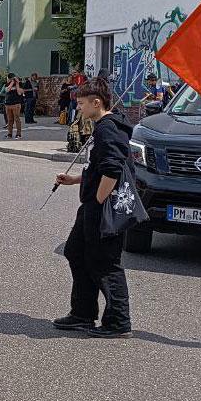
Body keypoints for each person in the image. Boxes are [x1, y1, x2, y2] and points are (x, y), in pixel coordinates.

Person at [53, 77, 134, 338]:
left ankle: (118, 322)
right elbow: (98, 168)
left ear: (96, 102)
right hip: (90, 204)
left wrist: (98, 199)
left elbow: (112, 167)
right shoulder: (103, 126)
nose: (78, 108)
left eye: (81, 103)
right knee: (76, 252)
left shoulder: (108, 128)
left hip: (100, 207)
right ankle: (82, 313)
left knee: (105, 263)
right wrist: (77, 179)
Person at [3, 73, 24, 139]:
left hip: (16, 104)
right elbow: (7, 90)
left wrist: (17, 83)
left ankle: (18, 134)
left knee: (17, 119)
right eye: (9, 78)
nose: (9, 79)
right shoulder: (7, 84)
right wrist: (12, 83)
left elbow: (19, 92)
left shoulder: (20, 84)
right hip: (8, 104)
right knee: (10, 120)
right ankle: (9, 134)